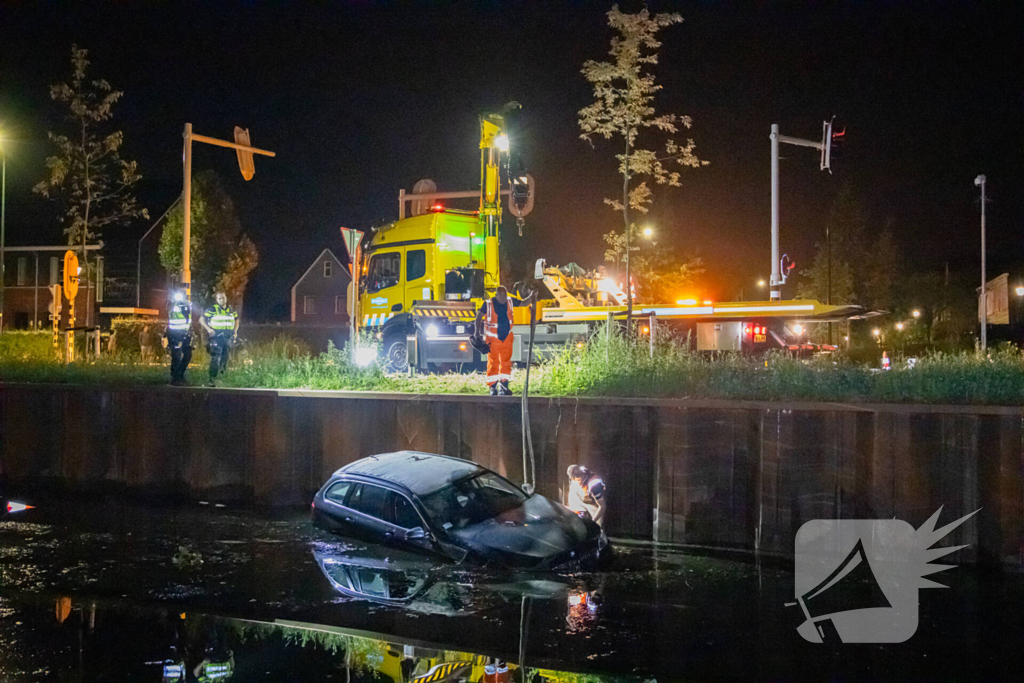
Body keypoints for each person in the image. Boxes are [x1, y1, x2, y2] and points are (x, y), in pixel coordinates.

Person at [474, 286, 534, 396]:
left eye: (504, 296)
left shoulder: (510, 301)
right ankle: (493, 387)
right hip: (493, 339)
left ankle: (504, 386)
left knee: (506, 362)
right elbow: (479, 317)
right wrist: (476, 333)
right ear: (496, 295)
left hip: (506, 338)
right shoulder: (488, 304)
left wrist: (533, 295)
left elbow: (524, 303)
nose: (503, 299)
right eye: (501, 297)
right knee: (493, 362)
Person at [200, 291, 239, 386]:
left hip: (228, 338)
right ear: (217, 300)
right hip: (216, 337)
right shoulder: (212, 309)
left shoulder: (231, 310)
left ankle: (222, 378)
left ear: (226, 298)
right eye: (220, 298)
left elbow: (236, 320)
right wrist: (209, 329)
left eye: (223, 298)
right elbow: (201, 319)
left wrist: (235, 331)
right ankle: (212, 379)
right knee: (215, 359)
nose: (222, 300)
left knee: (225, 359)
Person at [165, 292, 193, 386]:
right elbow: (169, 309)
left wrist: (190, 332)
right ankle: (175, 378)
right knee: (176, 356)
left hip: (185, 334)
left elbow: (188, 320)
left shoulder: (187, 306)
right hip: (175, 334)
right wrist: (175, 301)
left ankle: (180, 374)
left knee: (188, 354)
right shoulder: (173, 305)